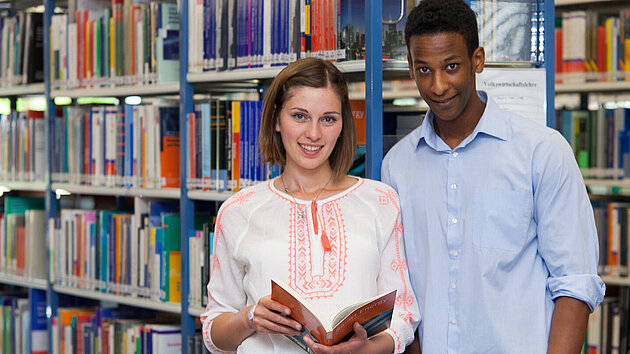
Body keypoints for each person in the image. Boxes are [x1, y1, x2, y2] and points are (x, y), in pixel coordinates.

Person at [381, 0, 606, 352]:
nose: (438, 86)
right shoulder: (396, 165)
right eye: (424, 70)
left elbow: (575, 285)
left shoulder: (542, 152)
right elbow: (402, 292)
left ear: (478, 60)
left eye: (451, 66)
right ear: (410, 67)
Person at [201, 57, 420, 354]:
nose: (314, 134)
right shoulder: (238, 211)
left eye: (328, 119)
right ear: (277, 119)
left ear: (342, 124)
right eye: (300, 116)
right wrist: (249, 319)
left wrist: (364, 351)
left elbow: (403, 316)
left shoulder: (381, 201)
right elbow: (213, 332)